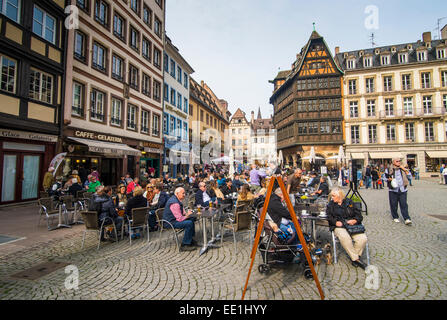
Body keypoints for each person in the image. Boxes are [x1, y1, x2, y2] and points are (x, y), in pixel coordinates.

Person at [326, 187, 368, 269]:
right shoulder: (331, 205)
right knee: (345, 238)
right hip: (339, 226)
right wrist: (335, 222)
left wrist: (355, 220)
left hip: (352, 225)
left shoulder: (349, 202)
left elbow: (359, 216)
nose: (332, 198)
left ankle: (355, 258)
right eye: (332, 196)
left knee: (362, 239)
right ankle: (356, 259)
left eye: (334, 196)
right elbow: (329, 217)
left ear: (340, 196)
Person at [163, 187, 199, 251]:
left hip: (174, 220)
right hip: (170, 222)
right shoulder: (175, 203)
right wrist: (187, 216)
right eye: (183, 193)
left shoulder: (177, 200)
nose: (184, 195)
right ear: (177, 193)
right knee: (189, 223)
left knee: (192, 218)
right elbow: (180, 219)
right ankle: (184, 245)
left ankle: (190, 239)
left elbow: (182, 213)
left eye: (184, 193)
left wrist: (187, 214)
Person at [385, 158, 412, 225]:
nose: (399, 162)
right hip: (393, 189)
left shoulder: (403, 168)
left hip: (402, 189)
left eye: (400, 161)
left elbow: (410, 177)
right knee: (393, 204)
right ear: (393, 162)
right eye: (397, 161)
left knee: (404, 204)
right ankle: (395, 216)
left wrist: (405, 170)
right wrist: (388, 179)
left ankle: (407, 218)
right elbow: (384, 178)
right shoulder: (389, 169)